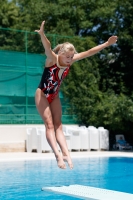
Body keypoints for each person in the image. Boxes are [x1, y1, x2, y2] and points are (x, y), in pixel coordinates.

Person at [35, 20, 118, 170]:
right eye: (68, 57)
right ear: (61, 54)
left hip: (54, 95)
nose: (70, 60)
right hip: (42, 94)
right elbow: (47, 47)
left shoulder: (70, 60)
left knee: (59, 125)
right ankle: (57, 155)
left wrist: (106, 44)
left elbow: (89, 52)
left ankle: (66, 154)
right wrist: (42, 34)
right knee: (49, 125)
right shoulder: (52, 60)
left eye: (72, 57)